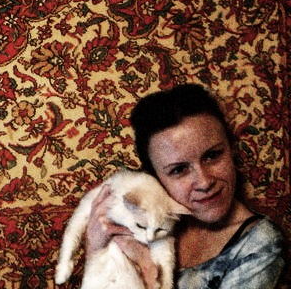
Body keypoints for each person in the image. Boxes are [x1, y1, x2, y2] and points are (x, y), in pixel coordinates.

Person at [84, 83, 285, 288]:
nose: (204, 182)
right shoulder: (140, 223)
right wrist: (95, 250)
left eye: (212, 155)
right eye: (179, 169)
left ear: (231, 150)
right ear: (154, 177)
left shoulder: (260, 244)